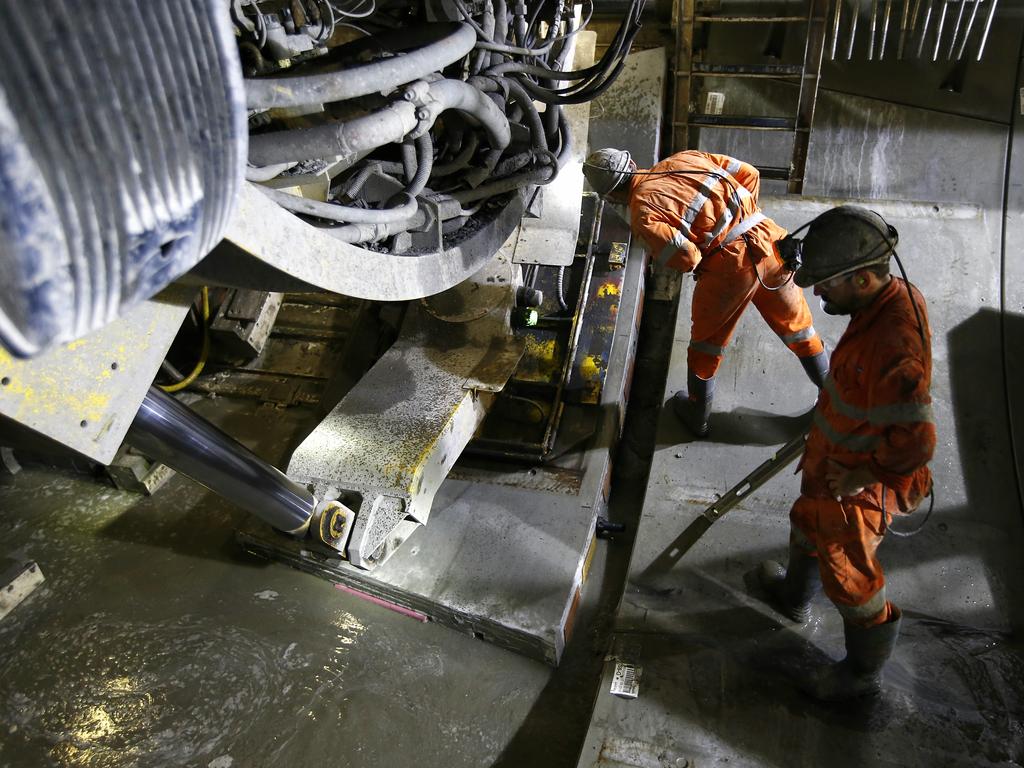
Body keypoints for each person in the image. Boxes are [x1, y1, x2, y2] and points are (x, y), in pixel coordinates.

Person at [757, 205, 935, 701]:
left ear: (861, 279)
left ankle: (861, 677)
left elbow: (918, 442)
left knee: (851, 575)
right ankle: (794, 599)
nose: (817, 292)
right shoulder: (883, 301)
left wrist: (862, 476)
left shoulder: (897, 346)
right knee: (806, 525)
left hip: (860, 483)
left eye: (827, 283)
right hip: (833, 458)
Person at [582, 148, 828, 437]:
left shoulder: (643, 213)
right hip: (771, 242)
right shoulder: (684, 158)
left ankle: (697, 417)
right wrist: (744, 220)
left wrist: (715, 247)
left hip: (729, 270)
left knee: (706, 347)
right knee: (799, 329)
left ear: (611, 196)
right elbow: (750, 173)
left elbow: (687, 259)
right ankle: (833, 395)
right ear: (632, 163)